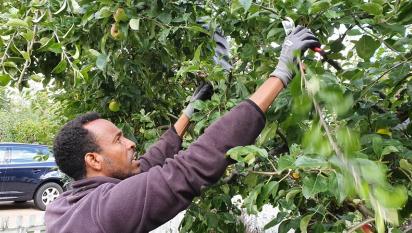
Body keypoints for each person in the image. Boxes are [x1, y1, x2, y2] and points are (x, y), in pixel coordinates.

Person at [45, 26, 319, 233]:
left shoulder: (64, 205)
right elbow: (186, 169)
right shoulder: (105, 209)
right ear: (93, 159)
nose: (130, 143)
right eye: (118, 140)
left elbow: (148, 165)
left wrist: (188, 112)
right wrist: (281, 73)